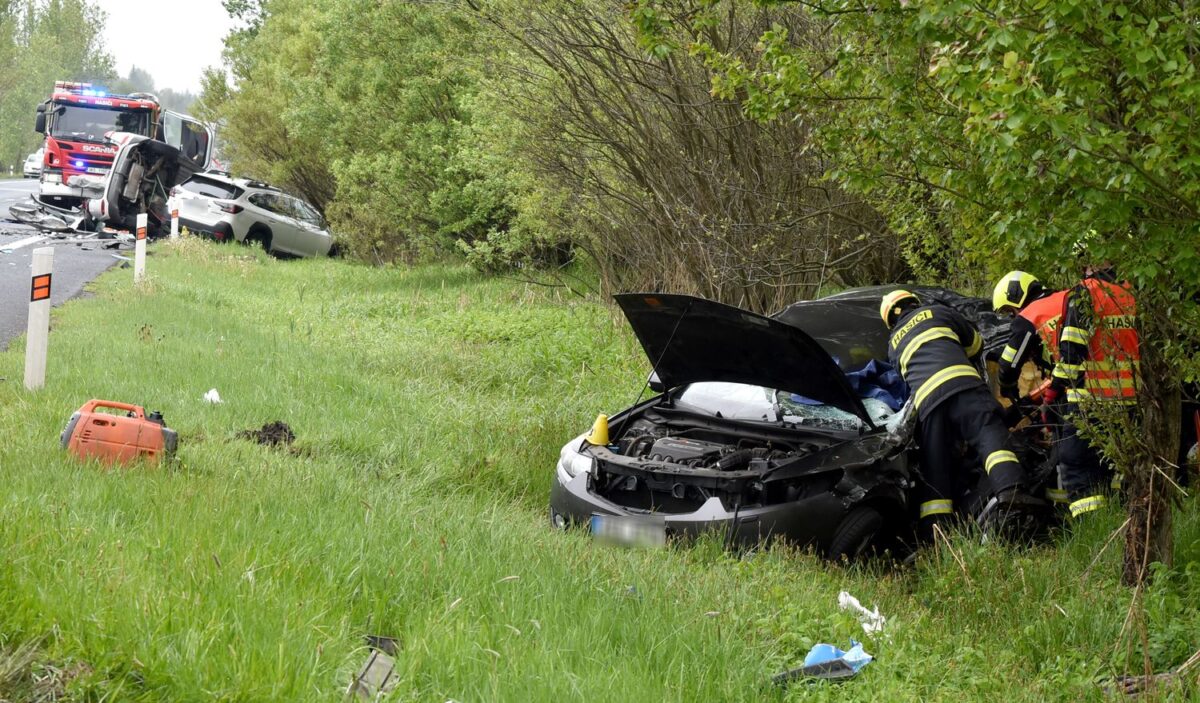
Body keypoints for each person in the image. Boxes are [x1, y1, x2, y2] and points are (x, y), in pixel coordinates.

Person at [880, 290, 1039, 539]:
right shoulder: (938, 312)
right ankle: (1011, 491)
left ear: (890, 320)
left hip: (928, 403)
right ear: (914, 302)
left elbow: (905, 378)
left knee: (936, 465)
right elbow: (976, 344)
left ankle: (935, 535)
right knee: (989, 435)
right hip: (963, 385)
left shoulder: (893, 345)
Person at [1044, 262, 1139, 518]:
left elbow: (1071, 352)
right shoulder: (1132, 291)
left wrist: (1053, 391)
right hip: (1132, 401)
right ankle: (1124, 520)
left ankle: (1093, 527)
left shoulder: (1086, 293)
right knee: (1117, 468)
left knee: (1077, 466)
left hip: (1090, 400)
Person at [991, 271, 1068, 403]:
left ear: (1016, 297)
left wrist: (1007, 387)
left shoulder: (1028, 318)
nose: (1014, 317)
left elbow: (1008, 365)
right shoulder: (1066, 296)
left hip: (1072, 386)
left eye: (1010, 311)